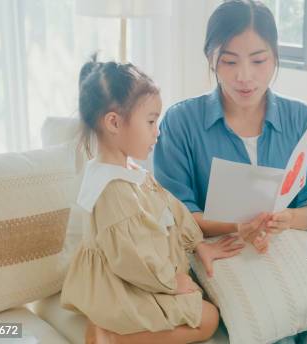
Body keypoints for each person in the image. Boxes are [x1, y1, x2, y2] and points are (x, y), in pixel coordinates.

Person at [154, 1, 307, 343]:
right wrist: (238, 226)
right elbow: (175, 216)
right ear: (211, 59)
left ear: (275, 57)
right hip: (230, 266)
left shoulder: (304, 121)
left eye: (259, 60)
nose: (244, 76)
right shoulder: (181, 123)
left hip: (295, 262)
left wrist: (286, 219)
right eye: (230, 61)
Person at [60, 55, 244, 344]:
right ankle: (111, 337)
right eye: (150, 121)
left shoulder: (131, 171)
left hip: (141, 276)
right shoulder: (113, 190)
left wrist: (198, 245)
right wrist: (172, 283)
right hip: (124, 285)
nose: (157, 132)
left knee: (208, 304)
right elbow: (133, 260)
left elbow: (171, 209)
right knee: (209, 319)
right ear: (114, 123)